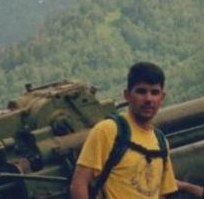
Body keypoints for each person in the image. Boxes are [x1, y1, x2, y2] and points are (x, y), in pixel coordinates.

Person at [72, 62, 182, 199]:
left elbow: (163, 193)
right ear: (127, 95)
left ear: (162, 97)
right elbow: (79, 183)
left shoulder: (161, 142)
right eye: (141, 91)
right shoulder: (108, 130)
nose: (148, 99)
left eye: (154, 93)